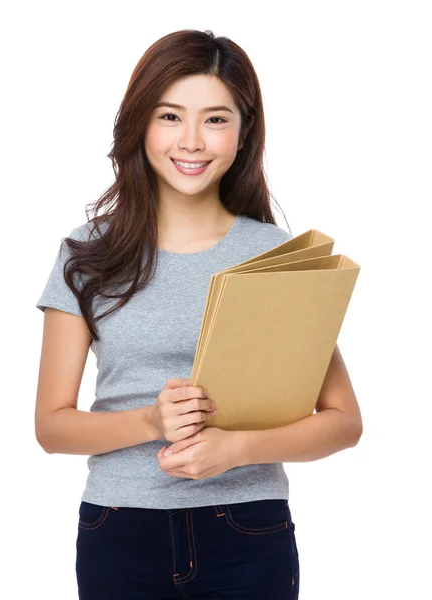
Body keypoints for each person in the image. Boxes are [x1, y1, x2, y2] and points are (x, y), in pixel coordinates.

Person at [35, 29, 362, 600]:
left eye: (215, 119)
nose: (191, 141)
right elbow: (51, 426)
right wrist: (149, 423)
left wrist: (235, 449)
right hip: (120, 527)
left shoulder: (274, 254)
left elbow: (343, 421)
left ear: (243, 132)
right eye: (169, 116)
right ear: (141, 123)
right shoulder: (88, 251)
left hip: (247, 528)